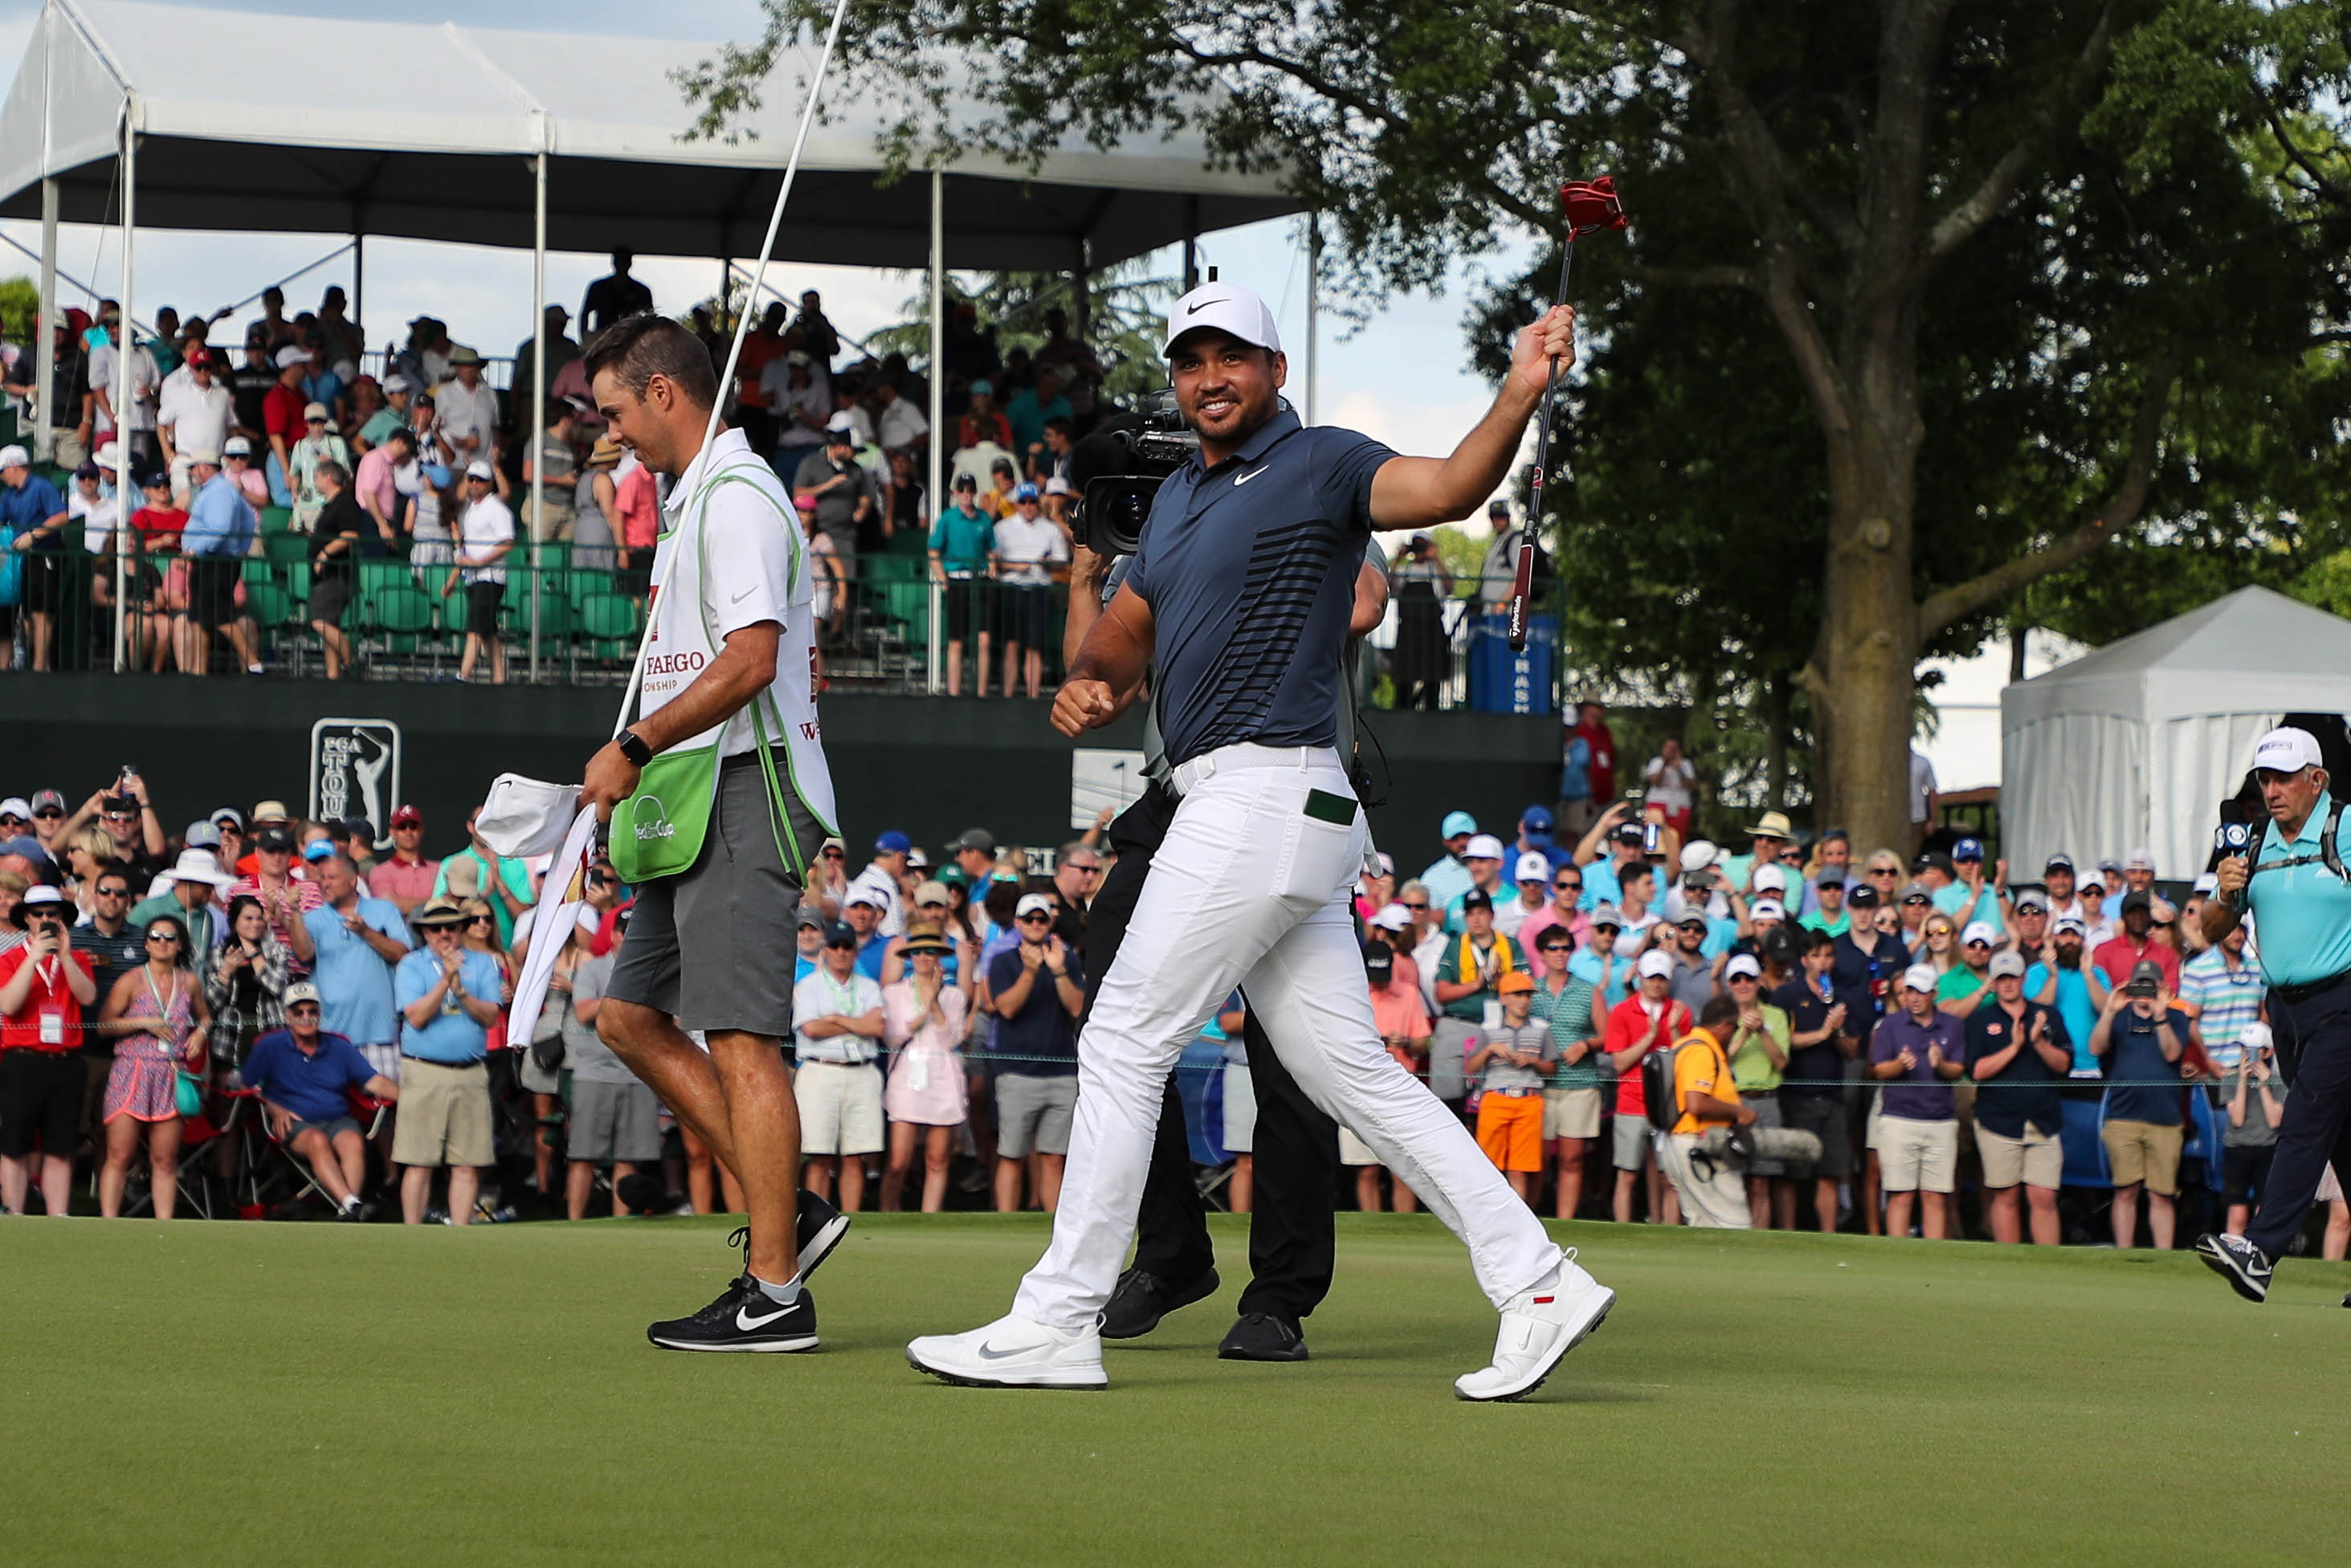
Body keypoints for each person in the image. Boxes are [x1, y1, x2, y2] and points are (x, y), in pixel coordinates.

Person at [910, 284, 1604, 1399]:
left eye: (1232, 355)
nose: (1208, 376)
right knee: (1354, 1077)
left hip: (1262, 794)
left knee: (1125, 1038)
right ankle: (1534, 1279)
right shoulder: (1176, 498)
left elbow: (1446, 486)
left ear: (1273, 371)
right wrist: (1089, 683)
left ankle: (1055, 1318)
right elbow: (1121, 641)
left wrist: (1518, 386)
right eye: (1190, 359)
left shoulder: (1322, 461)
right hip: (1268, 808)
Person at [580, 312, 844, 1349]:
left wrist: (634, 747)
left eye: (615, 413)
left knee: (741, 1038)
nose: (611, 438)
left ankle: (775, 1292)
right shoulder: (698, 501)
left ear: (662, 394)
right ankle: (794, 1213)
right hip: (687, 797)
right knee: (626, 1016)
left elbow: (747, 660)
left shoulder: (736, 500)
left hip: (744, 785)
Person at [238, 980, 397, 1219]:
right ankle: (352, 1206)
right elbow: (245, 1084)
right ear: (287, 1016)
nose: (306, 1017)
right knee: (317, 1140)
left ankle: (349, 1206)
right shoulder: (270, 1046)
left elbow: (374, 1082)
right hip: (295, 1124)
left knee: (353, 1139)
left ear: (320, 1014)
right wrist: (273, 1107)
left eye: (312, 1011)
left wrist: (413, 1099)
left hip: (338, 1118)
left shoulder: (338, 1046)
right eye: (298, 1012)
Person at [390, 897, 502, 1225]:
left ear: (461, 929)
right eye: (435, 928)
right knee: (418, 1161)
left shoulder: (483, 964)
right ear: (424, 932)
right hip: (424, 1070)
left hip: (469, 1072)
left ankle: (460, 1236)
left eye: (451, 927)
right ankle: (412, 1234)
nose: (444, 934)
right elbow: (417, 1017)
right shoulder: (411, 965)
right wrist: (445, 981)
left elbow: (490, 1016)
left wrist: (462, 990)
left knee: (467, 1162)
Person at [92, 911, 208, 1218]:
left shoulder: (190, 982)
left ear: (181, 945)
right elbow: (104, 1025)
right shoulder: (131, 980)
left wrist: (200, 1033)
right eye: (155, 937)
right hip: (132, 1069)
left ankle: (165, 1228)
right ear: (146, 943)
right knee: (119, 1154)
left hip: (171, 1071)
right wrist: (143, 1022)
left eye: (170, 937)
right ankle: (108, 1222)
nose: (162, 943)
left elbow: (205, 1015)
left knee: (165, 1158)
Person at [2, 888, 100, 1214]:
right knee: (15, 1144)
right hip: (22, 1061)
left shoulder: (79, 957)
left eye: (52, 914)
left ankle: (59, 1217)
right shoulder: (10, 959)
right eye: (39, 914)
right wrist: (33, 958)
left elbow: (87, 998)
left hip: (66, 1062)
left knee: (61, 1146)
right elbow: (8, 1004)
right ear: (27, 919)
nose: (46, 920)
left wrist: (66, 956)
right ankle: (14, 1212)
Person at [1964, 951, 2070, 1245]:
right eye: (2002, 978)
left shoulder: (2047, 1015)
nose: (2008, 984)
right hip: (1998, 1120)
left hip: (2043, 1119)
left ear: (2024, 979)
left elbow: (2063, 1065)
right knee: (2006, 1194)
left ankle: (2048, 1265)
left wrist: (2037, 1042)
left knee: (2044, 1195)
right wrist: (2014, 1047)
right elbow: (1976, 1071)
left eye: (2013, 977)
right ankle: (2010, 1264)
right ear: (1994, 983)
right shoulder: (1981, 1020)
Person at [989, 892, 1084, 1213]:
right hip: (1017, 1073)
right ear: (1017, 923)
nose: (1034, 924)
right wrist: (1030, 972)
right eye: (1028, 919)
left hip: (1061, 1074)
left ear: (1049, 922)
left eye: (1041, 919)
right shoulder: (1003, 961)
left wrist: (1057, 970)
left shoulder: (1066, 959)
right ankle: (1005, 1224)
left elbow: (1076, 1008)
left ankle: (1053, 1230)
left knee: (1054, 1158)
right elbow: (1006, 1008)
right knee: (1012, 1155)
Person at [2090, 959, 2190, 1251]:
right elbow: (2095, 1047)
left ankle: (2164, 1257)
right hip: (2123, 1117)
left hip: (2166, 1120)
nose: (2143, 993)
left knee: (2162, 1194)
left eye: (2150, 986)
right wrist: (2109, 1010)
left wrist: (2161, 1015)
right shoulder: (2118, 1018)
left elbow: (2172, 1054)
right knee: (2125, 1190)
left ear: (2161, 988)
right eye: (2139, 985)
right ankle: (2123, 1254)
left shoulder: (2177, 1018)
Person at [792, 920, 887, 1212]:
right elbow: (811, 1029)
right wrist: (857, 1024)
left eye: (847, 946)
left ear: (855, 951)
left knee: (854, 1156)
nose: (841, 952)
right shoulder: (808, 986)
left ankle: (851, 1219)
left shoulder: (869, 986)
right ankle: (816, 1219)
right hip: (820, 1070)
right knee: (818, 1155)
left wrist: (837, 1019)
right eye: (835, 946)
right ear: (826, 950)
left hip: (860, 1070)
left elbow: (877, 1026)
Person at [1870, 965, 1967, 1239]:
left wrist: (1941, 1064)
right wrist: (1899, 1065)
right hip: (1899, 1119)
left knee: (1935, 1196)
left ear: (1934, 994)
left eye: (1921, 992)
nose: (1914, 997)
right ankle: (1898, 1258)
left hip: (1940, 1121)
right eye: (1910, 991)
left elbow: (1958, 1070)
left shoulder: (1952, 1025)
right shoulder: (1890, 1025)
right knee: (1900, 1195)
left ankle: (1931, 1262)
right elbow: (1879, 1070)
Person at [880, 929, 969, 1213]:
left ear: (939, 958)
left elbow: (952, 1039)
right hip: (907, 1076)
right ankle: (887, 1215)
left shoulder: (954, 996)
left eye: (929, 952)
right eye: (917, 952)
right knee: (898, 1162)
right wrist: (923, 1012)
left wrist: (934, 1001)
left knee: (937, 1159)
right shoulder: (893, 993)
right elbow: (892, 1037)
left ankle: (930, 1218)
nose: (922, 957)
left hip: (942, 1076)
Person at [1773, 929, 1852, 1233]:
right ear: (1804, 959)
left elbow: (1851, 1050)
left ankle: (1829, 1237)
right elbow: (1781, 1043)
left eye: (1829, 955)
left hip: (1832, 1096)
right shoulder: (1787, 995)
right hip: (1796, 1096)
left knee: (1829, 1173)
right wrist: (1823, 1033)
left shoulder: (1841, 997)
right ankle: (1790, 1235)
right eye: (1816, 955)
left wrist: (1839, 1029)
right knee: (1792, 1174)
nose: (1823, 962)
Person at [1654, 993, 1755, 1229]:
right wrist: (1738, 1111)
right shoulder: (1701, 1050)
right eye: (1735, 1027)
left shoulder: (1683, 1044)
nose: (1735, 1034)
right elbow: (1696, 1103)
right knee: (1736, 1224)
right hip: (1697, 1147)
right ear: (1724, 1026)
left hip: (1676, 1144)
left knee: (1701, 1224)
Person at [1604, 949, 1689, 1225]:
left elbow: (1685, 1060)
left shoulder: (1679, 1012)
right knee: (1627, 1174)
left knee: (1670, 1177)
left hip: (1667, 1105)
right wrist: (1650, 1036)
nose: (1656, 983)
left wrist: (1673, 1029)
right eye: (1651, 978)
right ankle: (1622, 1230)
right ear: (1640, 977)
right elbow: (1619, 1063)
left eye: (1661, 979)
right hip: (1631, 1103)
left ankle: (1670, 1233)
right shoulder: (1622, 1011)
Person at [1526, 925, 1601, 1220]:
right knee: (1536, 1159)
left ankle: (1565, 1221)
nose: (1560, 954)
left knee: (1572, 1159)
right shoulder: (1530, 990)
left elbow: (1607, 1035)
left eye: (1565, 948)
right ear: (1542, 953)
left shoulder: (1587, 990)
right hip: (1538, 1084)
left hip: (1579, 1083)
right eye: (1553, 948)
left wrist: (1585, 1045)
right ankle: (1530, 1218)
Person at [1468, 971, 1557, 1202]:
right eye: (1518, 994)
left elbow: (1551, 1067)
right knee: (1488, 1167)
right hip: (1496, 1097)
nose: (1524, 1000)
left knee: (1520, 1169)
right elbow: (1471, 1068)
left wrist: (1532, 1061)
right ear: (1504, 998)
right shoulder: (1489, 1028)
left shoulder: (1541, 1028)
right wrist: (1490, 1050)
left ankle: (1518, 1225)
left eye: (1527, 995)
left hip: (1529, 1099)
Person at [442, 461, 512, 684]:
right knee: (488, 630)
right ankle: (499, 678)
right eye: (471, 478)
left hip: (490, 577)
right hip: (475, 577)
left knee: (475, 627)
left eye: (480, 479)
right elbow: (466, 550)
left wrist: (479, 562)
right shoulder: (471, 511)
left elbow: (507, 542)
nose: (474, 483)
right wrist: (455, 576)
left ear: (490, 483)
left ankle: (464, 674)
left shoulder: (497, 509)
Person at [203, 895, 291, 1070]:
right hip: (229, 1035)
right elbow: (209, 1005)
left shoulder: (276, 951)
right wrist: (225, 973)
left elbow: (280, 989)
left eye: (259, 918)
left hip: (270, 1028)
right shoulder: (219, 954)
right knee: (228, 1093)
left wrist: (256, 957)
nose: (256, 923)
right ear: (234, 922)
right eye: (248, 918)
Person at [928, 472, 996, 696]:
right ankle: (954, 692)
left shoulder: (984, 518)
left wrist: (992, 568)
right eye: (963, 490)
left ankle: (982, 692)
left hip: (980, 581)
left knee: (984, 640)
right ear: (956, 492)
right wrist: (944, 581)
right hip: (957, 581)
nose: (967, 495)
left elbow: (991, 548)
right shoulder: (948, 518)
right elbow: (934, 551)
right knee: (956, 640)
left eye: (971, 490)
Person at [2219, 1022, 2286, 1239]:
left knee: (2263, 1208)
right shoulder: (2231, 1080)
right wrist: (2242, 1080)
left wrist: (2264, 1084)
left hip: (2268, 1149)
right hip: (2238, 1149)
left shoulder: (2279, 1082)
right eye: (2244, 1049)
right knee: (2237, 1212)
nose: (2248, 1055)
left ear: (2268, 1051)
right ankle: (2233, 1250)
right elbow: (2237, 1119)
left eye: (2254, 1050)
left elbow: (2275, 1120)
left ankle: (2259, 1251)